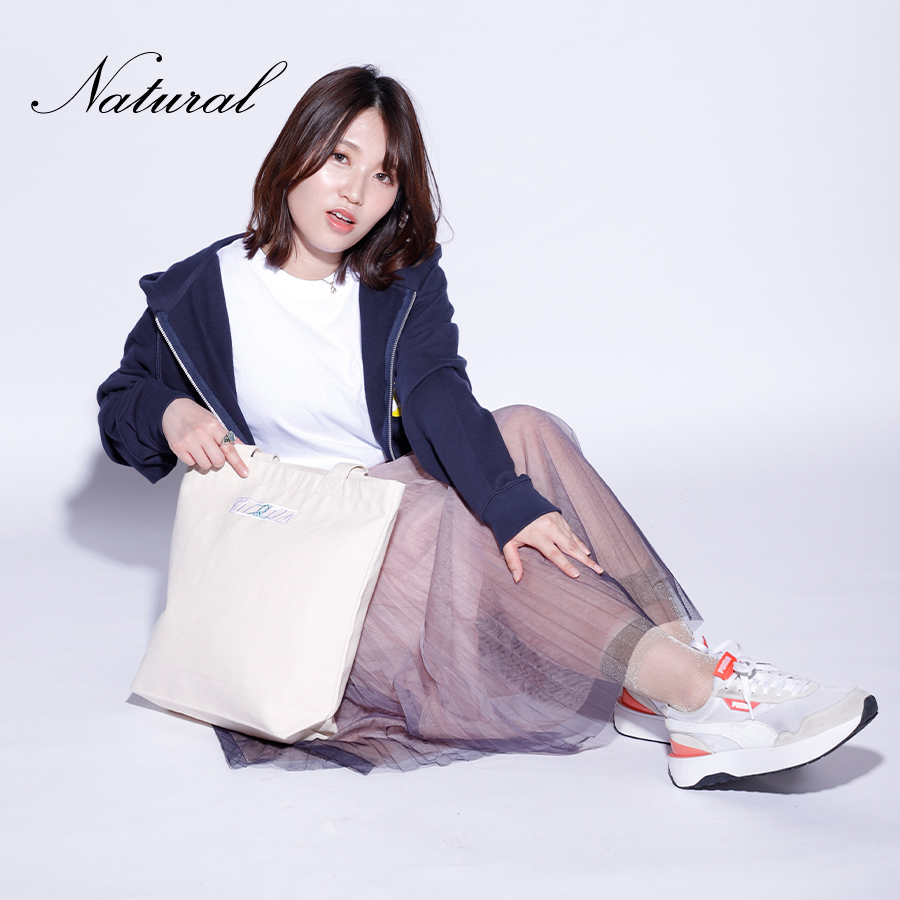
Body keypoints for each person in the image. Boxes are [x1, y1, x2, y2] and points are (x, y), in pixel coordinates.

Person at [97, 65, 876, 788]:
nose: (356, 192)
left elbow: (437, 391)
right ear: (294, 152)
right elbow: (119, 400)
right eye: (339, 158)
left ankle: (675, 669)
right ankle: (697, 694)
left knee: (526, 427)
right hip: (302, 549)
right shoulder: (201, 291)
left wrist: (509, 501)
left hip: (384, 508)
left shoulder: (397, 278)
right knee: (452, 509)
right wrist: (168, 410)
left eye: (383, 175)